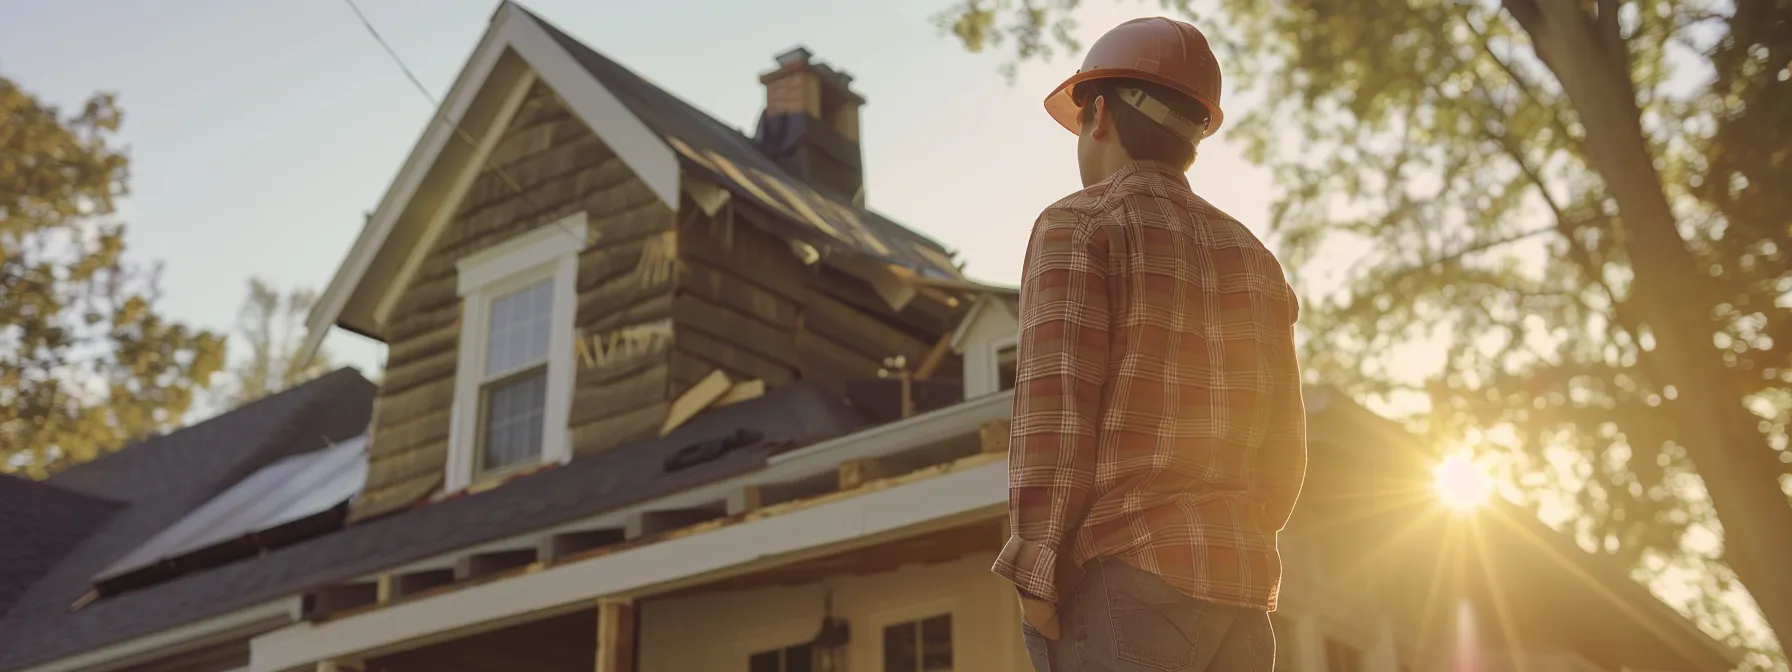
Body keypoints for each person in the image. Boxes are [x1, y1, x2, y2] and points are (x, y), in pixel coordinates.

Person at [992, 16, 1309, 672]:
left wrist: (1035, 573)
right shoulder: (1256, 261)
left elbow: (1055, 415)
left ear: (1098, 113)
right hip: (1242, 595)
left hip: (1124, 583)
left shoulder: (1077, 226)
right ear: (1192, 136)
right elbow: (1285, 455)